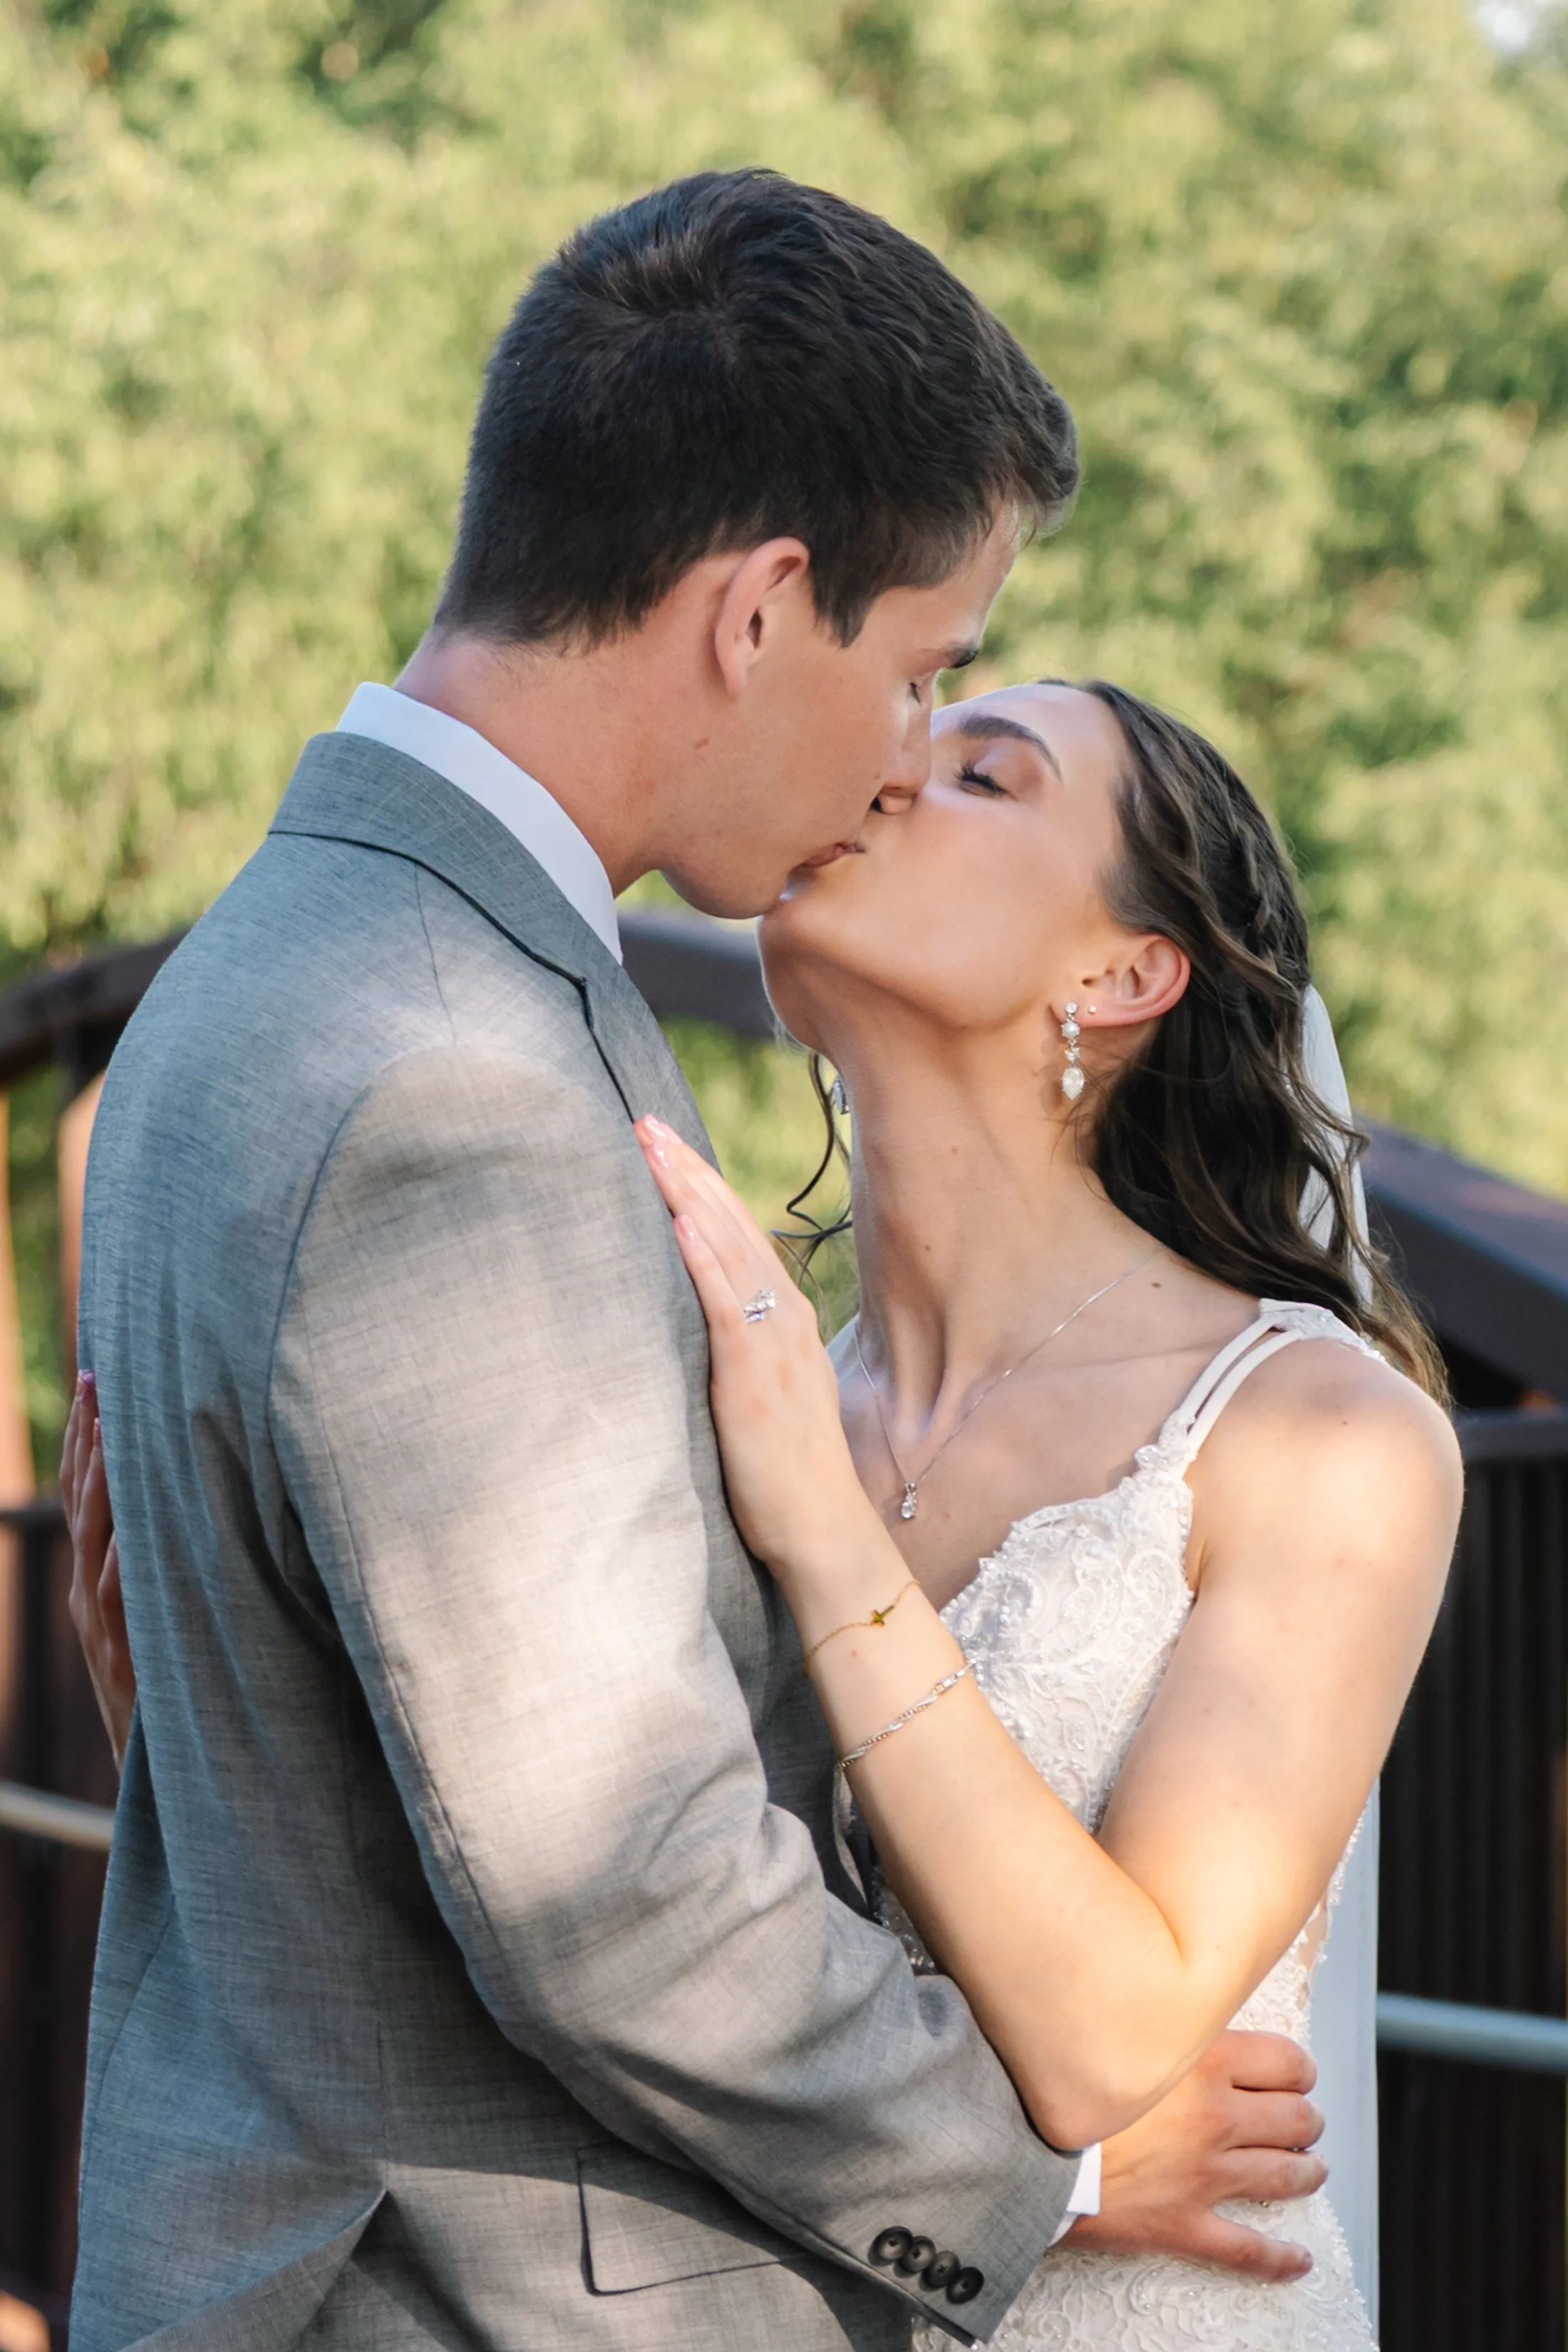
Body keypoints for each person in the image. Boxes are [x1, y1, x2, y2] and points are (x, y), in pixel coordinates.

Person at [63, 170, 1338, 2352]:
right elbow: (618, 1884)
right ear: (759, 613)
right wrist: (1043, 2177)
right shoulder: (453, 1076)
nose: (900, 758)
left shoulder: (277, 970)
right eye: (919, 666)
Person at [632, 676, 1462, 2346]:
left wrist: (818, 1525)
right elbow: (607, 1947)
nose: (880, 773)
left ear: (1120, 972)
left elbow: (1110, 2046)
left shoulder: (1320, 1437)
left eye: (980, 775)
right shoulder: (726, 1395)